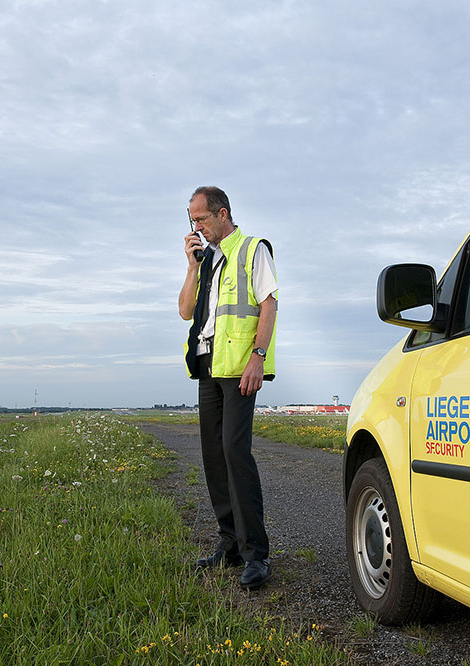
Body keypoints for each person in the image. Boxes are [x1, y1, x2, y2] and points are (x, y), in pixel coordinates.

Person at [178, 185, 277, 591]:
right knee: (214, 456)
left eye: (200, 219)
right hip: (207, 366)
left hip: (239, 368)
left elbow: (269, 303)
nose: (196, 226)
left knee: (236, 452)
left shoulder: (253, 249)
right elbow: (185, 311)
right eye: (191, 221)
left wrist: (258, 355)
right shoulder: (208, 261)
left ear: (222, 214)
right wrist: (190, 266)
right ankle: (229, 542)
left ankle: (256, 553)